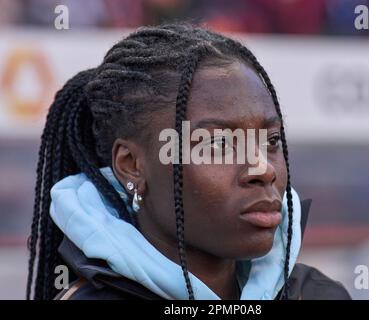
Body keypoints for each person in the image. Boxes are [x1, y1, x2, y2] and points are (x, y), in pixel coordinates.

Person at [26, 23, 351, 300]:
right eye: (219, 143)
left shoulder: (319, 293)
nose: (262, 169)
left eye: (272, 141)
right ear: (132, 166)